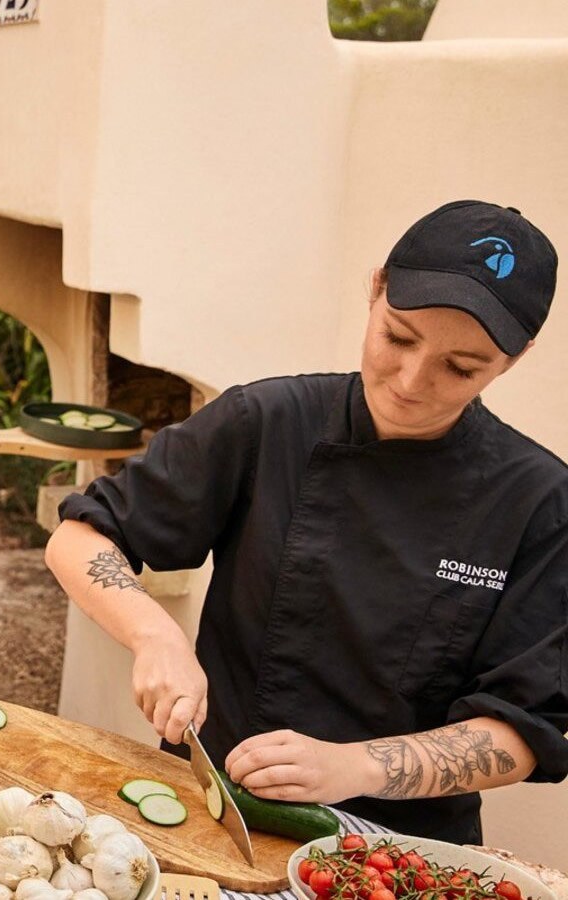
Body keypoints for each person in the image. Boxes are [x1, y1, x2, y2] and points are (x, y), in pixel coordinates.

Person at [46, 200, 568, 843]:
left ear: (514, 359)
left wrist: (352, 766)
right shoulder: (265, 421)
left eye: (462, 368)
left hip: (398, 851)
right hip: (218, 810)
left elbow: (520, 731)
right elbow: (80, 537)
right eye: (398, 337)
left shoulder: (541, 501)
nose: (410, 380)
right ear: (376, 289)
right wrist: (155, 636)